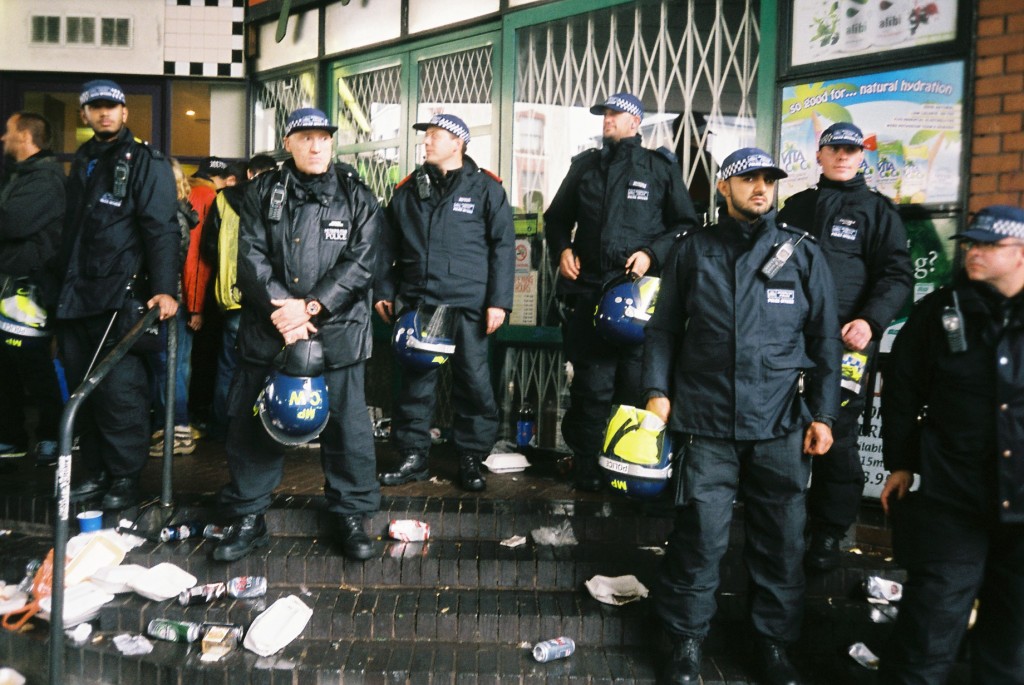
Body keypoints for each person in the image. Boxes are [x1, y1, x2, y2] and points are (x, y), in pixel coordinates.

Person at [643, 148, 841, 685]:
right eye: (749, 179)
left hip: (780, 423)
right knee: (700, 537)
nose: (761, 188)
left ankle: (772, 645)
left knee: (781, 539)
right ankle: (685, 641)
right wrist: (657, 392)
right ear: (724, 187)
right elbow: (662, 330)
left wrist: (823, 414)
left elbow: (824, 341)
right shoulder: (693, 250)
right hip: (704, 421)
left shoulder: (801, 253)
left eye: (769, 180)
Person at [213, 108, 383, 562]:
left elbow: (364, 260)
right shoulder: (260, 191)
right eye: (305, 137)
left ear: (332, 143)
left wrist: (309, 307)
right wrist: (283, 310)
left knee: (348, 429)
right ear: (287, 142)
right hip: (270, 331)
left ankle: (351, 515)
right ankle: (248, 516)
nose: (315, 146)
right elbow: (248, 255)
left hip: (339, 332)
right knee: (253, 426)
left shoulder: (357, 194)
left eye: (323, 138)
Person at [879, 205, 1024, 684]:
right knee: (930, 622)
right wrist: (899, 462)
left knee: (1012, 636)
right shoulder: (941, 312)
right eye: (970, 244)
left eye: (987, 245)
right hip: (952, 496)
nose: (973, 253)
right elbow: (902, 387)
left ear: (1020, 254)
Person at [543, 92, 699, 491]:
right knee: (590, 388)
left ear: (636, 122)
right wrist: (561, 249)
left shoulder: (658, 167)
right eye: (604, 113)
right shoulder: (585, 168)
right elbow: (556, 218)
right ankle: (587, 470)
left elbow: (684, 225)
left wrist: (652, 253)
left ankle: (627, 468)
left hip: (639, 297)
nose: (607, 119)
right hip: (590, 292)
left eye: (616, 113)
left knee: (634, 386)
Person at [777, 121, 913, 572]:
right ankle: (783, 526)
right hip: (789, 339)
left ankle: (828, 535)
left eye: (851, 150)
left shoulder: (877, 211)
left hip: (846, 343)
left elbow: (897, 275)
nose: (842, 156)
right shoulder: (796, 206)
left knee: (837, 435)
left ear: (861, 157)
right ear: (818, 154)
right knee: (781, 431)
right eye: (834, 148)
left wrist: (870, 321)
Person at [53, 79, 179, 510]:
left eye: (112, 107)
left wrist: (164, 289)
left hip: (121, 299)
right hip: (77, 298)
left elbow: (162, 228)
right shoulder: (84, 159)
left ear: (125, 113)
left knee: (120, 393)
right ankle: (100, 472)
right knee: (82, 392)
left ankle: (125, 478)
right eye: (95, 108)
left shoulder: (146, 161)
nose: (104, 114)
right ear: (85, 115)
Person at [375, 113, 515, 492]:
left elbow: (504, 247)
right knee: (415, 387)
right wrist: (384, 291)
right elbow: (384, 247)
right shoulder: (407, 190)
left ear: (458, 143)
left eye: (436, 135)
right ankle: (413, 457)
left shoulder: (486, 188)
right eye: (426, 135)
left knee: (473, 384)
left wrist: (499, 302)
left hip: (469, 304)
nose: (427, 141)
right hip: (421, 303)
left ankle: (471, 458)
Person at [0, 111, 66, 466]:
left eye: (8, 131)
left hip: (30, 292)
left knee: (34, 367)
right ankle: (11, 436)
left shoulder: (44, 179)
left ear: (25, 135)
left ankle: (52, 437)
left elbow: (12, 222)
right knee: (7, 368)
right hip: (12, 289)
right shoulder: (24, 176)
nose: (3, 138)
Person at [200, 154, 278, 440]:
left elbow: (209, 248)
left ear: (249, 173)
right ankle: (263, 428)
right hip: (267, 297)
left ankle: (222, 429)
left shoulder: (223, 199)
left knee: (228, 366)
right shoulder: (278, 199)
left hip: (232, 295)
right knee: (266, 364)